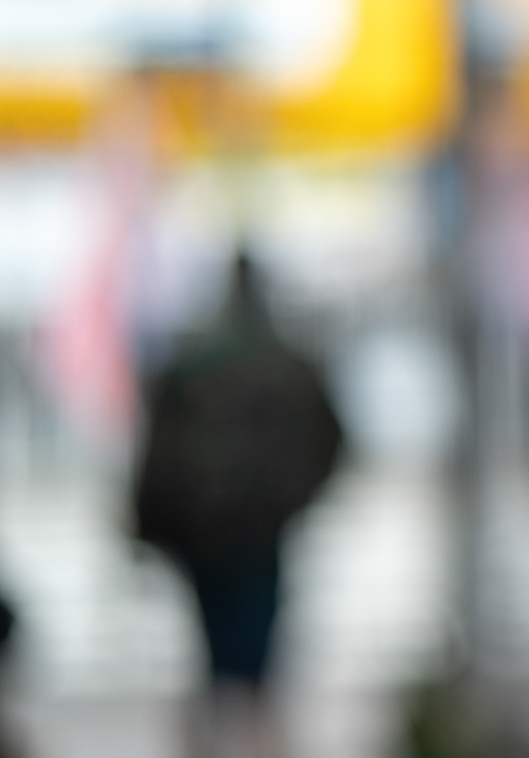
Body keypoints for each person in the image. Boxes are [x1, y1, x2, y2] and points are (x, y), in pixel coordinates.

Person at [134, 252, 342, 755]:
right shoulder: (286, 362)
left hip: (208, 533)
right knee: (254, 655)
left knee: (216, 650)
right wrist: (294, 500)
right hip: (255, 532)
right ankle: (250, 739)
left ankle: (222, 738)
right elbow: (331, 439)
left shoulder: (193, 361)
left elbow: (156, 451)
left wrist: (147, 521)